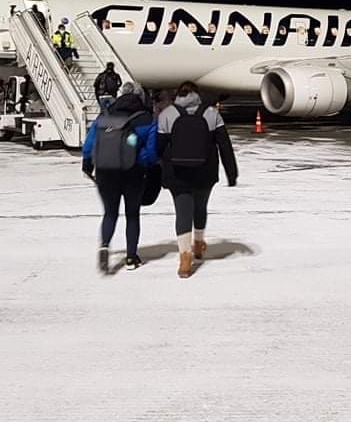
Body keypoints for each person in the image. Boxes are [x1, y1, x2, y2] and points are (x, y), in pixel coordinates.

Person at [157, 81, 238, 278]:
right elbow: (224, 145)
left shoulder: (167, 114)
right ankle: (199, 244)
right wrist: (231, 172)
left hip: (177, 174)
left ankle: (185, 258)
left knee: (182, 212)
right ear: (197, 94)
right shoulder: (211, 114)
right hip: (205, 172)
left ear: (178, 95)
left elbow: (158, 148)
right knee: (200, 208)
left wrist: (157, 173)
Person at [82, 82, 158, 272]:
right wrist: (147, 166)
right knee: (132, 215)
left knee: (110, 213)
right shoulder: (147, 119)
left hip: (106, 172)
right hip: (133, 172)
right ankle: (131, 257)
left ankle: (105, 245)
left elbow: (90, 143)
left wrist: (87, 164)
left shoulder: (105, 115)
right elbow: (151, 152)